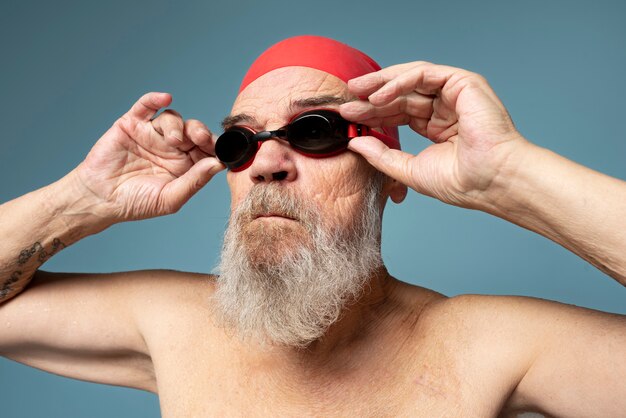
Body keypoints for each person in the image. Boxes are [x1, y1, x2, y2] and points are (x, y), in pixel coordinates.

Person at [0, 35, 624, 417]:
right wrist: (83, 198)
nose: (266, 163)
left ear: (392, 174)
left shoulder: (484, 347)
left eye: (315, 132)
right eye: (239, 142)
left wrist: (513, 178)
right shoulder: (177, 324)